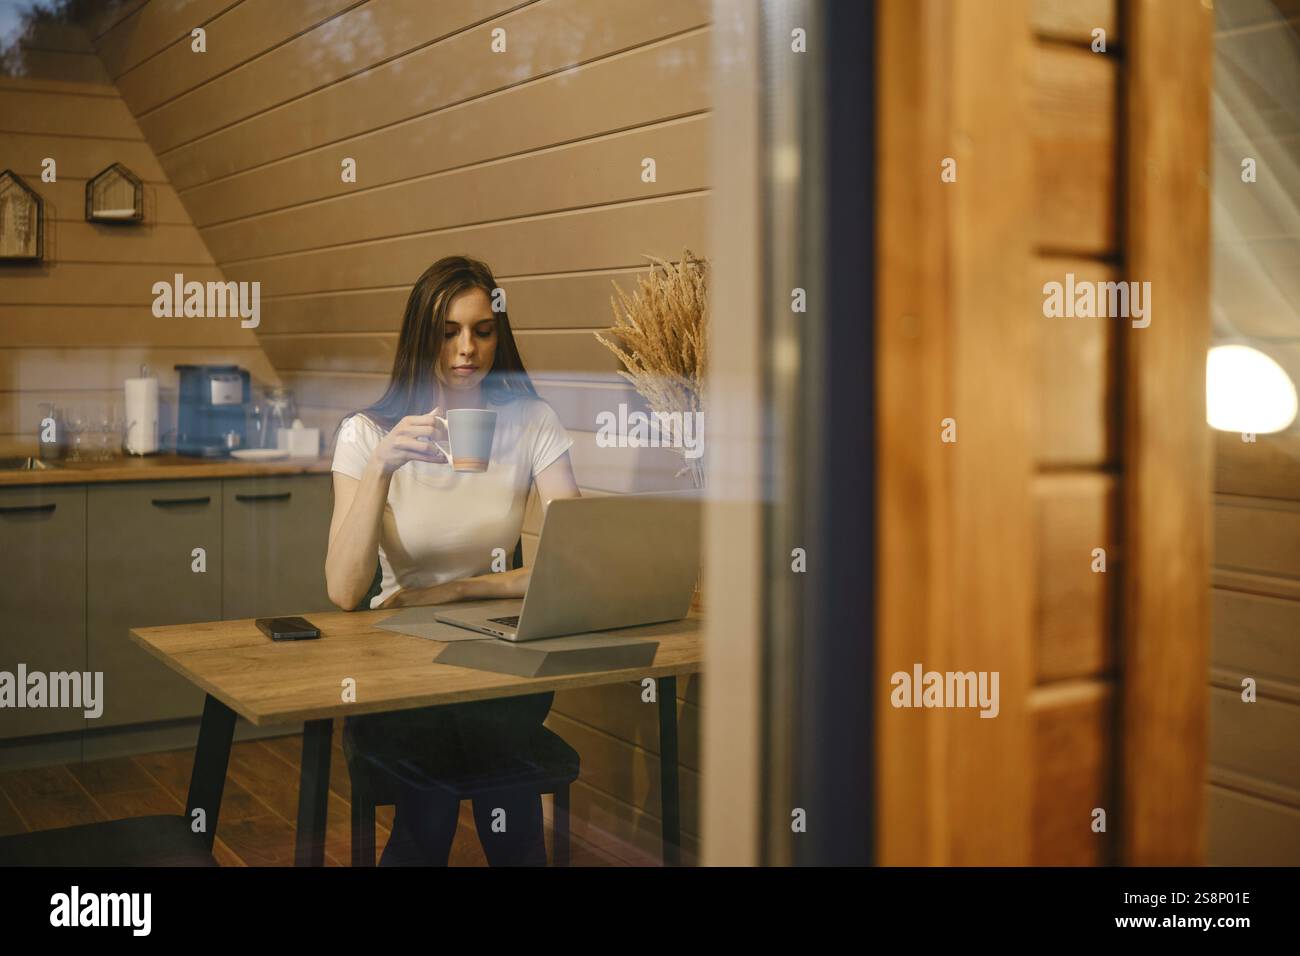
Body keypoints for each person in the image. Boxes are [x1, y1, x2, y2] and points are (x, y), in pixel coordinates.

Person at [325, 255, 581, 865]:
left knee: (478, 761)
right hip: (399, 666)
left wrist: (454, 593)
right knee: (478, 782)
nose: (467, 348)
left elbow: (574, 563)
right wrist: (382, 467)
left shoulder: (532, 421)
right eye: (447, 332)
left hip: (494, 657)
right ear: (422, 335)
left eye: (482, 331)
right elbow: (342, 591)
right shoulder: (365, 435)